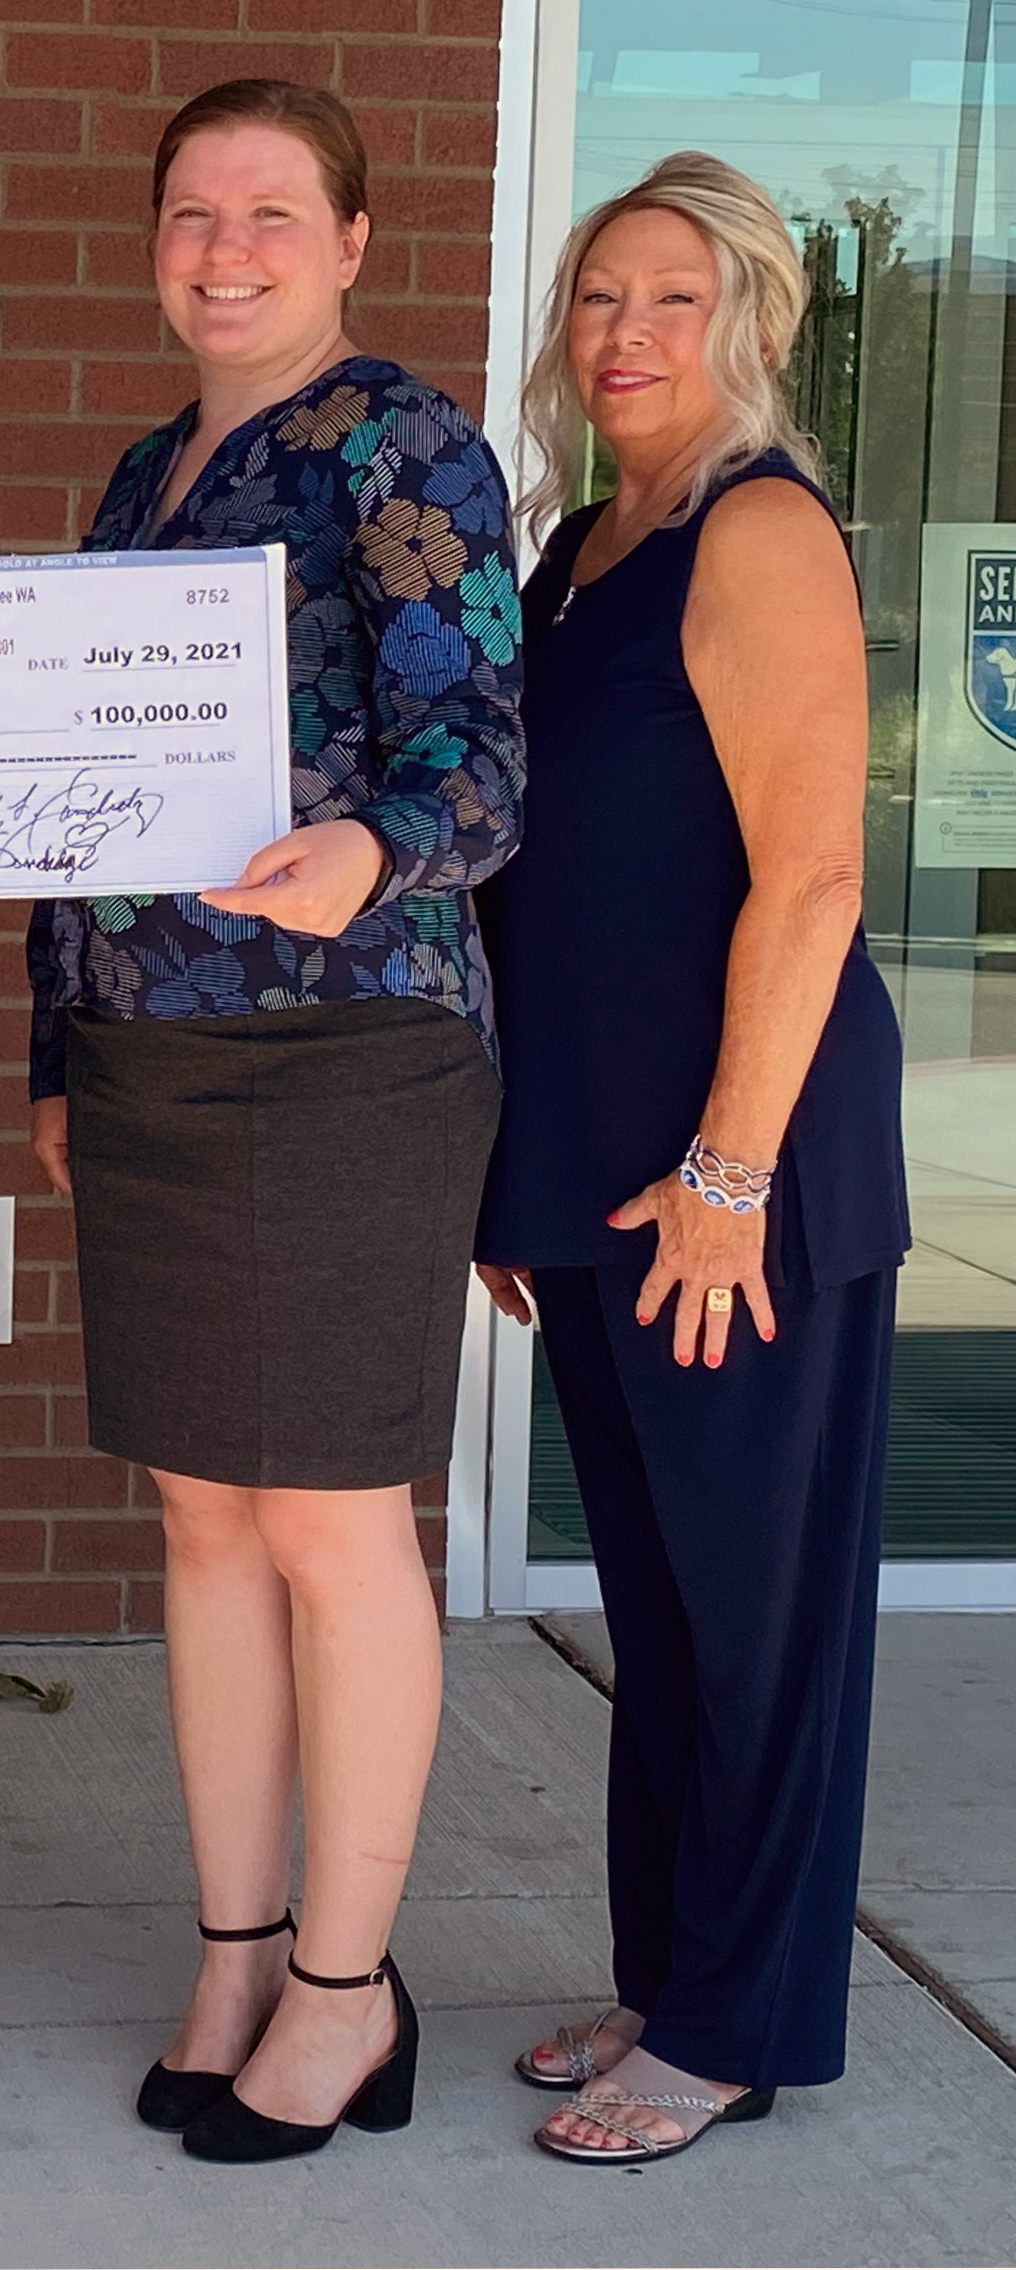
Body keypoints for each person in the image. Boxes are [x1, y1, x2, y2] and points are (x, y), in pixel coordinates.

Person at [25, 78, 525, 2165]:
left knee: (329, 1529)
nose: (219, 249)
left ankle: (346, 1980)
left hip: (343, 1055)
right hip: (150, 1065)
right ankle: (235, 1947)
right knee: (199, 1523)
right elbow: (72, 784)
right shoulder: (148, 469)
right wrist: (57, 1050)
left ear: (345, 243)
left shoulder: (402, 445)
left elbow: (484, 764)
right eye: (187, 214)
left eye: (265, 214)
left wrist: (363, 845)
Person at [475, 152, 908, 2165]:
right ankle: (671, 1976)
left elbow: (810, 878)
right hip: (605, 1184)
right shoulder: (578, 545)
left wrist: (727, 1173)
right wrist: (526, 1183)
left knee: (753, 1618)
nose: (623, 336)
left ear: (749, 322)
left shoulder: (756, 531)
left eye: (670, 299)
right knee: (656, 1615)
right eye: (594, 298)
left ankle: (734, 2026)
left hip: (739, 1184)